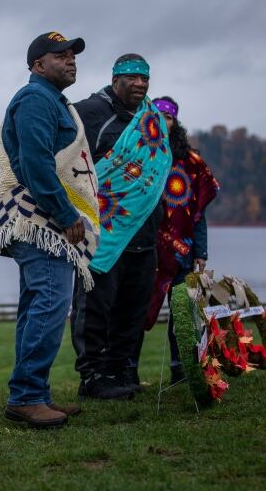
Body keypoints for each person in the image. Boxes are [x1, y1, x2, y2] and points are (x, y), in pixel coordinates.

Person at [0, 32, 100, 428]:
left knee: (36, 306)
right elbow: (35, 164)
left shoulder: (51, 100)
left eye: (73, 55)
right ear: (38, 64)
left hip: (39, 220)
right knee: (50, 306)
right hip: (42, 220)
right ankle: (27, 397)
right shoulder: (35, 99)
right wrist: (67, 214)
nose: (71, 61)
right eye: (61, 55)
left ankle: (35, 393)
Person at [69, 55, 172, 399]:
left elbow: (158, 167)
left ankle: (123, 368)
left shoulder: (152, 117)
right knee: (95, 305)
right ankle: (93, 375)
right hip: (103, 230)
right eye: (131, 78)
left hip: (144, 230)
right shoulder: (90, 112)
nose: (140, 84)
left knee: (133, 307)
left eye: (144, 79)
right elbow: (67, 161)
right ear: (115, 80)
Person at [143, 96, 220, 384]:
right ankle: (124, 374)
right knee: (138, 313)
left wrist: (202, 252)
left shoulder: (191, 162)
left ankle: (182, 370)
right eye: (158, 116)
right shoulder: (140, 155)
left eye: (169, 117)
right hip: (146, 250)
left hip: (183, 254)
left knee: (183, 316)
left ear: (176, 123)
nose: (164, 121)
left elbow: (198, 212)